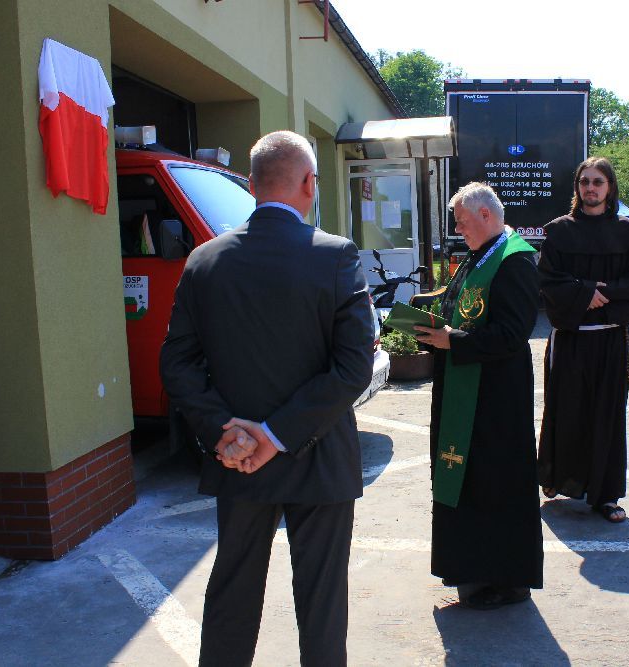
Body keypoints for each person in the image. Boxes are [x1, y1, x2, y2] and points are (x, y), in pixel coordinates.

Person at [160, 131, 374, 666]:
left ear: (252, 186)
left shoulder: (204, 260)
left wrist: (226, 433)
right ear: (310, 184)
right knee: (322, 602)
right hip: (318, 455)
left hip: (237, 457)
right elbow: (353, 367)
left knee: (232, 591)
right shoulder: (335, 255)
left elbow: (177, 364)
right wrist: (276, 435)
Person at [413, 182, 542, 609]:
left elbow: (512, 334)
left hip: (496, 398)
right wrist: (431, 324)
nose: (458, 229)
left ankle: (507, 582)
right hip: (468, 387)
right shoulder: (480, 255)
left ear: (486, 215)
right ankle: (472, 570)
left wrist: (454, 341)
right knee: (470, 482)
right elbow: (459, 308)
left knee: (496, 485)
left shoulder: (515, 260)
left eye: (462, 221)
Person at [537, 157, 629, 523]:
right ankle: (557, 478)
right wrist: (586, 292)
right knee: (566, 412)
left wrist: (598, 295)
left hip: (610, 340)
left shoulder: (628, 233)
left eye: (598, 181)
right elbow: (548, 280)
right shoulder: (559, 231)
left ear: (609, 187)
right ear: (577, 187)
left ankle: (606, 496)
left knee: (607, 418)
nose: (590, 188)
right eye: (584, 181)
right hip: (571, 339)